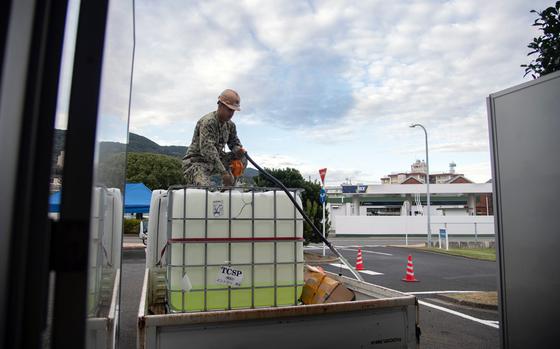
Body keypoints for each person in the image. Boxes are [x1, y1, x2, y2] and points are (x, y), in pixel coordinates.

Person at [182, 89, 246, 186]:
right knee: (205, 191)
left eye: (233, 110)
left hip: (216, 161)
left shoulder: (230, 125)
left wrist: (238, 151)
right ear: (220, 105)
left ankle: (232, 187)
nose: (231, 113)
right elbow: (207, 150)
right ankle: (218, 183)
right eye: (229, 109)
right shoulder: (208, 122)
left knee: (243, 158)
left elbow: (234, 143)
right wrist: (223, 172)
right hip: (197, 162)